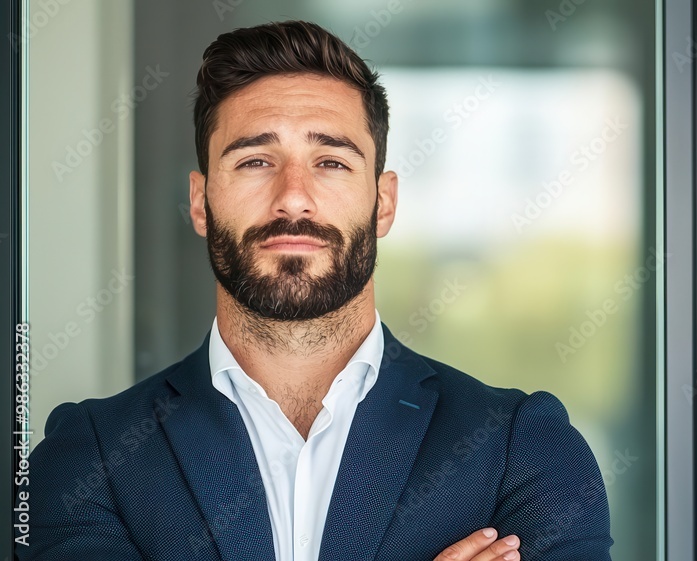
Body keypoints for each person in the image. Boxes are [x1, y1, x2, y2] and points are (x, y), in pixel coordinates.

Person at [18, 20, 612, 561]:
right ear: (201, 201)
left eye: (330, 161)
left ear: (384, 202)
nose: (293, 196)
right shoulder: (91, 457)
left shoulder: (522, 450)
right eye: (254, 161)